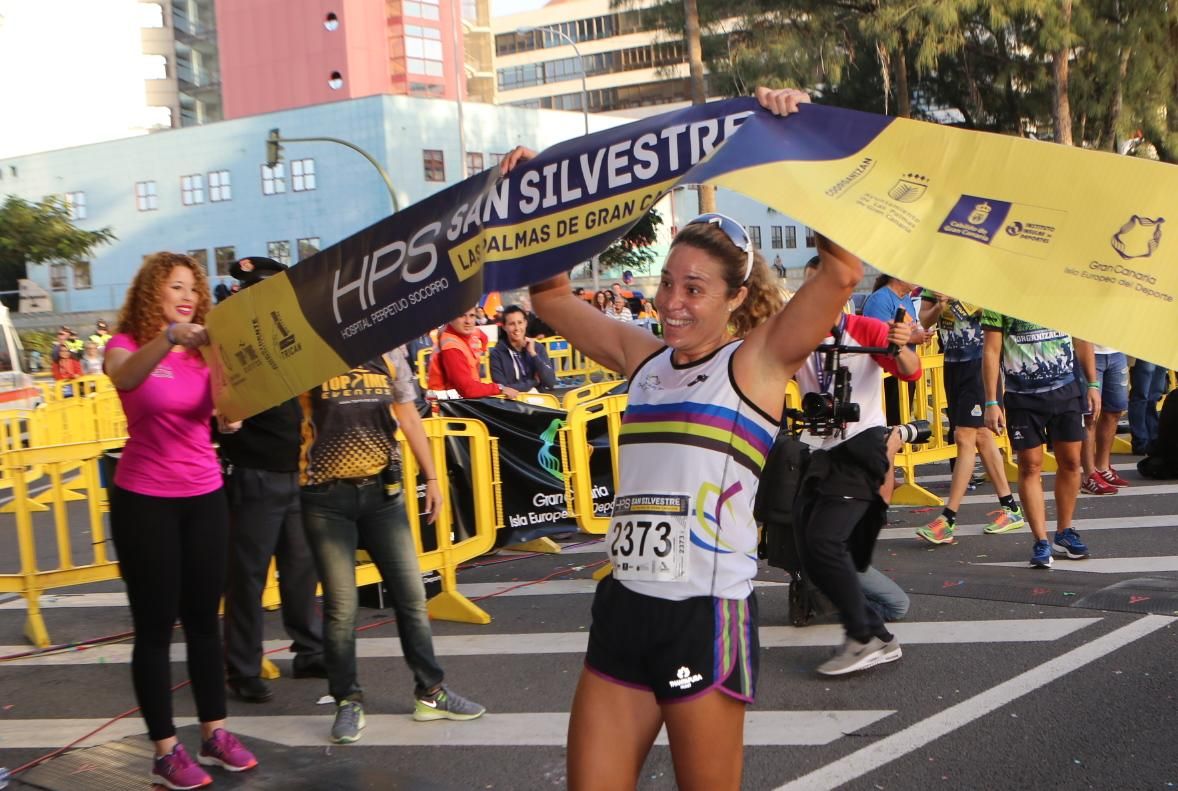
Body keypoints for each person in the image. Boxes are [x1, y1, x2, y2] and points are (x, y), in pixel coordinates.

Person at [511, 84, 863, 791]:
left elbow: (843, 269)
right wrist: (538, 194)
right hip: (624, 608)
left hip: (704, 616)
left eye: (695, 288)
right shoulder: (642, 360)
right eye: (668, 282)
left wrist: (795, 138)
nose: (672, 301)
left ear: (736, 297)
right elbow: (549, 296)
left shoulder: (755, 364)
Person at [104, 252, 257, 789]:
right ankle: (165, 750)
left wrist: (231, 418)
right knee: (154, 628)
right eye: (175, 287)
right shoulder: (124, 346)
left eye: (193, 288)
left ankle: (214, 733)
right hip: (145, 499)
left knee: (203, 621)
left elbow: (223, 412)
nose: (188, 295)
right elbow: (125, 379)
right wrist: (169, 337)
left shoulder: (205, 353)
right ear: (153, 293)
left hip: (205, 494)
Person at [299, 345, 486, 744]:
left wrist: (432, 477)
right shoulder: (307, 350)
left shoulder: (385, 352)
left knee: (412, 596)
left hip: (383, 495)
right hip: (324, 497)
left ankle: (431, 693)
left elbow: (407, 415)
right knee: (341, 608)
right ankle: (347, 700)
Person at [792, 268, 922, 676]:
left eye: (828, 287)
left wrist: (900, 345)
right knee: (806, 548)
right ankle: (878, 635)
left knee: (826, 542)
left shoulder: (863, 328)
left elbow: (912, 369)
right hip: (818, 451)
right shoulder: (795, 334)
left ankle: (864, 636)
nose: (819, 295)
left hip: (861, 447)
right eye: (812, 287)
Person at [217, 256, 325, 704]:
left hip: (294, 470)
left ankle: (310, 650)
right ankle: (242, 667)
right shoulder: (225, 342)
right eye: (250, 290)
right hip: (252, 473)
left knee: (301, 570)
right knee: (248, 578)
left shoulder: (291, 340)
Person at [982, 312, 1097, 568]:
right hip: (1023, 397)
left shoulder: (1063, 293)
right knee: (1030, 465)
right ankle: (1041, 540)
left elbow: (1082, 337)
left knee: (1070, 462)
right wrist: (991, 401)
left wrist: (1093, 384)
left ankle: (1064, 532)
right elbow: (991, 351)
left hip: (1066, 392)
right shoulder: (997, 297)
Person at [915, 293, 1024, 544]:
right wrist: (941, 305)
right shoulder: (935, 279)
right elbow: (924, 319)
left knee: (964, 435)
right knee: (982, 436)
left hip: (980, 361)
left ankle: (947, 519)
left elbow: (1001, 310)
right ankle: (1011, 509)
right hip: (953, 363)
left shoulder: (979, 275)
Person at [427, 307, 519, 399]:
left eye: (472, 316)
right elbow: (467, 389)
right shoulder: (451, 346)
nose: (468, 321)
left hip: (454, 403)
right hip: (447, 408)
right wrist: (499, 388)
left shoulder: (459, 338)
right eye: (461, 315)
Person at [1079, 345, 1131, 494]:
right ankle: (1089, 475)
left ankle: (1102, 467)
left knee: (1114, 411)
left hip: (1116, 350)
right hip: (1088, 352)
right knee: (1089, 415)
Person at [489, 304, 557, 393]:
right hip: (512, 404)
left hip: (540, 402)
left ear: (525, 323)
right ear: (504, 327)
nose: (517, 328)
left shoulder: (537, 348)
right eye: (512, 324)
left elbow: (551, 382)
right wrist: (534, 382)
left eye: (520, 322)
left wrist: (533, 354)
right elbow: (503, 388)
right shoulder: (496, 354)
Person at [1129, 358, 1169, 455]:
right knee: (1141, 395)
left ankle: (1152, 440)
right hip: (1146, 348)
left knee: (1153, 397)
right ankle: (1141, 442)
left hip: (1162, 349)